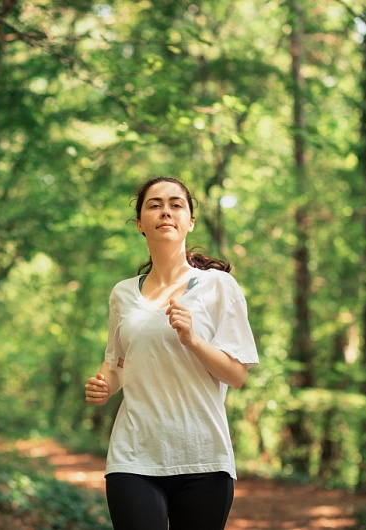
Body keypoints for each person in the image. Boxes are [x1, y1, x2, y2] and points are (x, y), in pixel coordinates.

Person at [84, 176, 259, 530]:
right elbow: (115, 366)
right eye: (155, 204)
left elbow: (236, 376)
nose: (166, 211)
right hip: (133, 458)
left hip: (204, 459)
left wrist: (193, 339)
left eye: (176, 204)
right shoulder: (122, 294)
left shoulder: (219, 287)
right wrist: (104, 385)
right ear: (140, 225)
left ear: (189, 221)